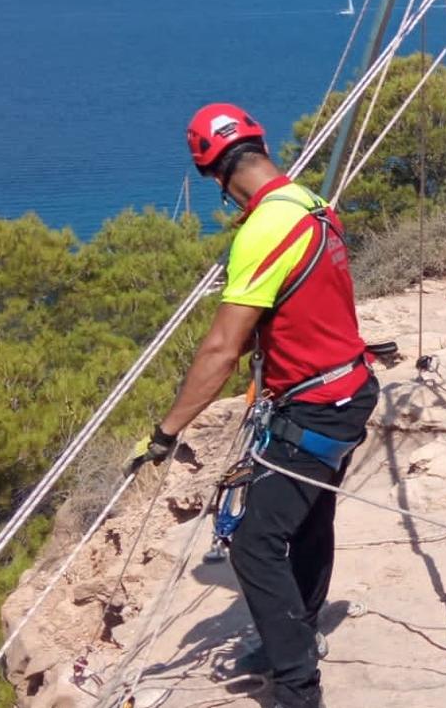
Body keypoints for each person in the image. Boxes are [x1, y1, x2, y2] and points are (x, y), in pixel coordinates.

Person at [129, 103, 377, 708]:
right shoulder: (310, 203)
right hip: (347, 388)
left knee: (254, 543)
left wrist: (165, 433)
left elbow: (221, 349)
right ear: (257, 148)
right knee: (310, 520)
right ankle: (296, 633)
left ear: (214, 174)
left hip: (315, 404)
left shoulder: (264, 229)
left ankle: (297, 688)